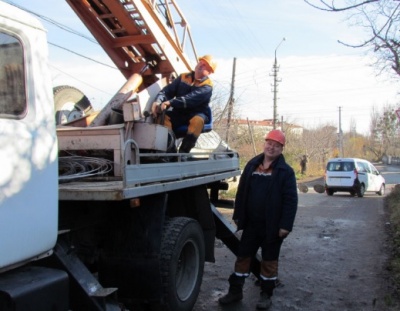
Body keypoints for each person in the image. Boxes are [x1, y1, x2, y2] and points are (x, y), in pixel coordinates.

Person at [218, 129, 298, 310]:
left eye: (276, 145)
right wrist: (238, 215)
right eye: (269, 143)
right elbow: (242, 193)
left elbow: (291, 200)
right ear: (265, 144)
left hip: (273, 227)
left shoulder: (286, 172)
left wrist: (285, 225)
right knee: (243, 257)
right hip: (252, 225)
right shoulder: (252, 165)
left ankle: (266, 294)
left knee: (269, 261)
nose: (271, 147)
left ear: (281, 149)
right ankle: (235, 291)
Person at [151, 55, 217, 154]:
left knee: (197, 121)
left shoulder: (207, 87)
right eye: (201, 62)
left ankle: (184, 151)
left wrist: (170, 102)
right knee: (162, 117)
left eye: (205, 65)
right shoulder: (183, 77)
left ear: (210, 72)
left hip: (196, 113)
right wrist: (158, 101)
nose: (201, 65)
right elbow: (167, 91)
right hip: (179, 113)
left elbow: (190, 99)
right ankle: (171, 151)